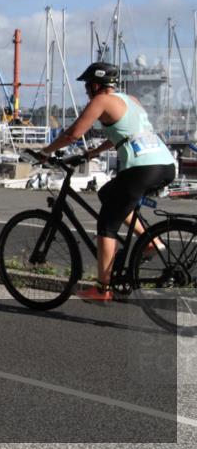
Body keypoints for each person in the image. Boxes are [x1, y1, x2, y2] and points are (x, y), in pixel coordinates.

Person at [39, 62, 177, 303]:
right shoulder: (131, 99)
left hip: (141, 169)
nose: (86, 91)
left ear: (95, 85)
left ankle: (103, 289)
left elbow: (73, 133)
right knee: (107, 194)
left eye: (87, 86)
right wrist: (91, 153)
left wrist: (46, 152)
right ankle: (151, 242)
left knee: (107, 224)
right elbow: (125, 135)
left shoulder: (100, 101)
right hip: (165, 165)